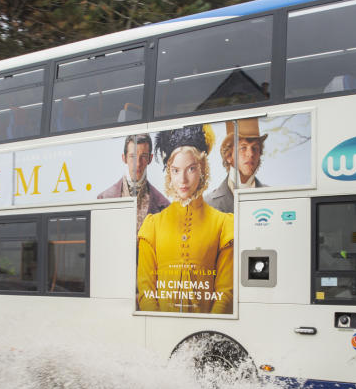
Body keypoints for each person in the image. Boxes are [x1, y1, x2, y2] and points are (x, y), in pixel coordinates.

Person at [137, 124, 233, 314]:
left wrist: (207, 332)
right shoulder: (153, 226)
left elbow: (225, 292)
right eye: (175, 170)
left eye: (191, 169)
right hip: (161, 330)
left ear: (202, 169)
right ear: (169, 174)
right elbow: (146, 290)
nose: (182, 180)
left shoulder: (223, 224)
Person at [98, 133, 170, 231]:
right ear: (124, 158)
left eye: (143, 156)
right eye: (132, 156)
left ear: (150, 159)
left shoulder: (163, 206)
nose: (138, 163)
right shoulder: (103, 199)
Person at [205, 118, 268, 213]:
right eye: (243, 148)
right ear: (229, 156)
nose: (250, 154)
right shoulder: (209, 204)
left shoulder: (272, 198)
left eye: (255, 148)